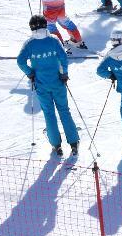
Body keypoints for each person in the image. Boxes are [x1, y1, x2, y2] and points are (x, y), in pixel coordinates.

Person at [16, 15, 79, 156]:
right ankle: (74, 142)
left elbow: (20, 61)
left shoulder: (29, 44)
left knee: (49, 113)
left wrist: (30, 73)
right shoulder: (54, 40)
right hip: (58, 82)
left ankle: (56, 145)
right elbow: (63, 58)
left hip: (41, 84)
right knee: (64, 110)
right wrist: (64, 74)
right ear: (45, 25)